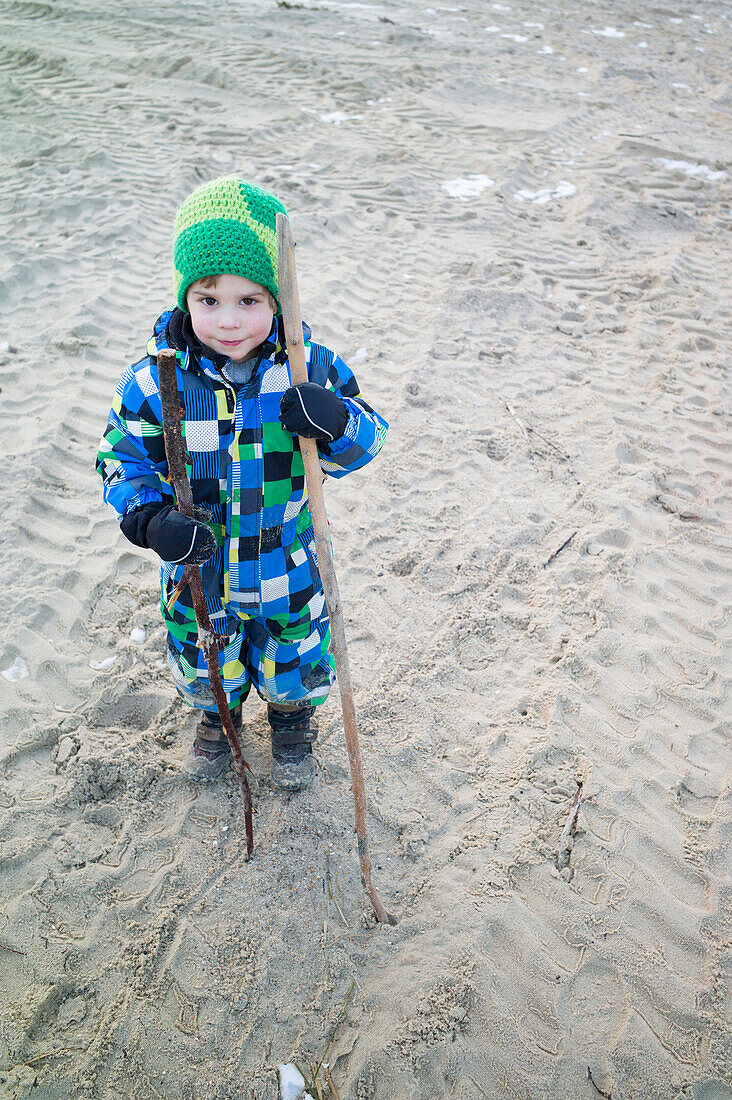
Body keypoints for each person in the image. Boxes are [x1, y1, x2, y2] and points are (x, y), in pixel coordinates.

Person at [96, 177, 387, 790]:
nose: (228, 321)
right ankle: (216, 718)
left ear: (280, 297)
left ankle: (290, 718)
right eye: (208, 300)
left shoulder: (308, 367)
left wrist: (333, 423)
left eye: (250, 301)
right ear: (184, 299)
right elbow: (121, 458)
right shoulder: (157, 383)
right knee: (207, 652)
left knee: (295, 648)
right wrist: (149, 519)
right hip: (197, 567)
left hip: (286, 555)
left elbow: (367, 439)